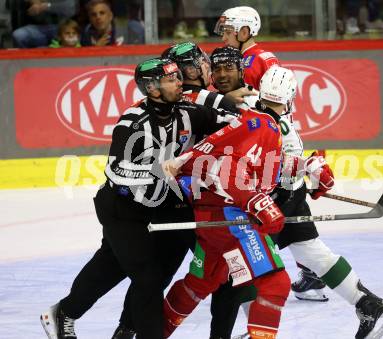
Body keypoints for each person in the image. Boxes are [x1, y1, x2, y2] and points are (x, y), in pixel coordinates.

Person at [207, 46, 383, 339]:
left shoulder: (254, 110)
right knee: (312, 253)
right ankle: (370, 304)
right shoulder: (272, 108)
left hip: (270, 201)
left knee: (246, 264)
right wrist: (311, 170)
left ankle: (256, 330)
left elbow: (272, 160)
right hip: (285, 195)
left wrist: (308, 169)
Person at [40, 57, 237, 339]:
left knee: (116, 266)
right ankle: (71, 314)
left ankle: (80, 317)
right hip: (124, 209)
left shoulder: (186, 111)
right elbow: (116, 170)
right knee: (145, 278)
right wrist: (159, 170)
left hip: (165, 204)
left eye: (178, 77)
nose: (180, 82)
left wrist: (262, 119)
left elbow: (233, 123)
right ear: (152, 88)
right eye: (171, 80)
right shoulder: (132, 122)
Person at [161, 65, 297, 339]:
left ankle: (153, 332)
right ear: (290, 98)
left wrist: (306, 170)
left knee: (203, 280)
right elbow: (228, 171)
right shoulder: (265, 126)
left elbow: (228, 162)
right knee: (276, 284)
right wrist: (260, 204)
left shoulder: (249, 119)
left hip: (211, 219)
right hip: (232, 218)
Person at [214, 6, 329, 301]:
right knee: (289, 208)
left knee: (278, 211)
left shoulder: (257, 60)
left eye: (228, 31)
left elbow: (260, 109)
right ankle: (310, 272)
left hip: (271, 145)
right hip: (272, 144)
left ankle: (264, 283)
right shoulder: (250, 57)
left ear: (244, 32)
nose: (224, 37)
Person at [214, 6, 278, 90]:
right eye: (223, 33)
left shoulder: (245, 65)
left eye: (228, 33)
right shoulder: (264, 56)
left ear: (244, 32)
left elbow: (242, 102)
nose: (223, 38)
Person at [11, 0, 78, 48]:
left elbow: (70, 8)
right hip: (38, 27)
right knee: (19, 35)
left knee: (71, 35)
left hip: (62, 27)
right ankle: (27, 62)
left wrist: (45, 6)